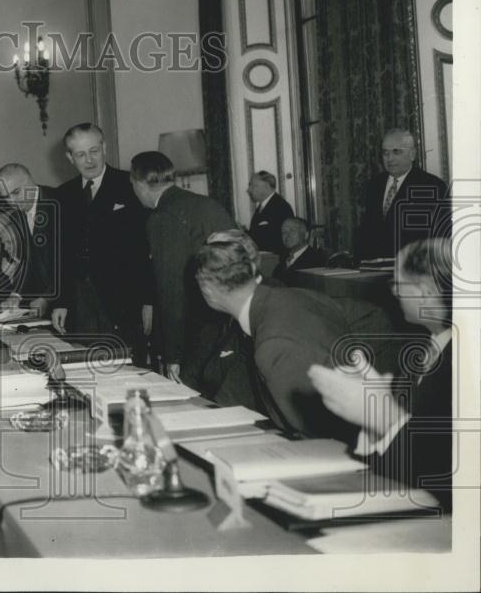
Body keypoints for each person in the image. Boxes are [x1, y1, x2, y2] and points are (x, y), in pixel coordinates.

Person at [309, 237, 453, 510]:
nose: (394, 292)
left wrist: (386, 418)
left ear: (424, 291)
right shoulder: (425, 350)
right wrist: (376, 405)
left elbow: (448, 477)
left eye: (397, 284)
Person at [194, 232, 358, 441]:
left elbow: (319, 437)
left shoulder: (273, 344)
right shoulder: (292, 296)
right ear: (252, 269)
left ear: (207, 291)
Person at [130, 151, 235, 383]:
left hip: (197, 330)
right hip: (231, 323)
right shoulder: (204, 203)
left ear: (138, 184)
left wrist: (173, 355)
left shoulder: (161, 217)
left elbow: (171, 289)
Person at [51, 123, 151, 351]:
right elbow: (62, 254)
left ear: (105, 147)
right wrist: (61, 302)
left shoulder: (130, 185)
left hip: (123, 303)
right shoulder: (63, 195)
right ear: (70, 157)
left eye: (94, 151)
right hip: (80, 305)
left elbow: (145, 249)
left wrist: (149, 301)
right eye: (80, 154)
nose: (89, 160)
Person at [355, 128, 449, 261]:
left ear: (412, 154)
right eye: (385, 153)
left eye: (396, 152)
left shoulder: (432, 186)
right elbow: (367, 231)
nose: (389, 158)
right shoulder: (374, 185)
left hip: (414, 272)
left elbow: (439, 238)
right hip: (373, 272)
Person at [0, 163, 59, 316]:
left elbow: (68, 261)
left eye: (16, 192)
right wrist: (16, 295)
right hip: (43, 304)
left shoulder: (58, 201)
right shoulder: (17, 217)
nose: (12, 202)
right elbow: (28, 262)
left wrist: (47, 297)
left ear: (30, 182)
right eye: (6, 197)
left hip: (72, 301)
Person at [246, 170, 294, 254]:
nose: (249, 190)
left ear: (266, 187)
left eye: (253, 186)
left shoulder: (281, 207)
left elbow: (280, 241)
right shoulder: (263, 206)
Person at [272, 217, 327, 284]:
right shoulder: (283, 259)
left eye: (292, 231)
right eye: (284, 232)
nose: (287, 236)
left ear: (306, 235)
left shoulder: (316, 260)